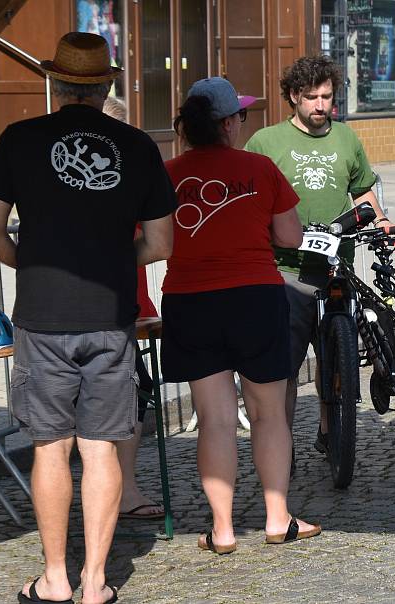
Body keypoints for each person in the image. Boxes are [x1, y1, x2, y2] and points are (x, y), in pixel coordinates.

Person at [0, 32, 176, 604]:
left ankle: (55, 578)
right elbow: (163, 242)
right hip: (111, 313)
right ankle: (96, 582)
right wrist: (121, 260)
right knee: (99, 448)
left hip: (43, 314)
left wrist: (29, 261)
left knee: (50, 446)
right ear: (106, 86)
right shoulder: (137, 145)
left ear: (57, 81)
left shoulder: (18, 139)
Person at [161, 76, 320, 552]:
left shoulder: (167, 174)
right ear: (230, 123)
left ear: (186, 128)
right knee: (269, 414)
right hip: (255, 295)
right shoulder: (260, 167)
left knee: (213, 419)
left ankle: (223, 529)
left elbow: (152, 240)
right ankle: (277, 520)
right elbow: (291, 239)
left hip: (190, 299)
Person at [244, 55, 395, 457]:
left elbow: (363, 188)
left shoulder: (346, 138)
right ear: (293, 96)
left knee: (336, 358)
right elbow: (250, 199)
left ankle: (330, 429)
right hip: (286, 271)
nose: (320, 105)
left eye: (327, 96)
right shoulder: (265, 142)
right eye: (311, 97)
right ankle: (282, 448)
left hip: (338, 267)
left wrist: (381, 220)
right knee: (284, 368)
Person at [102, 95, 165, 521]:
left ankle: (120, 489)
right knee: (128, 399)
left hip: (129, 306)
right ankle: (121, 491)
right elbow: (157, 242)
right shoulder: (126, 167)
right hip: (116, 309)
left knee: (133, 396)